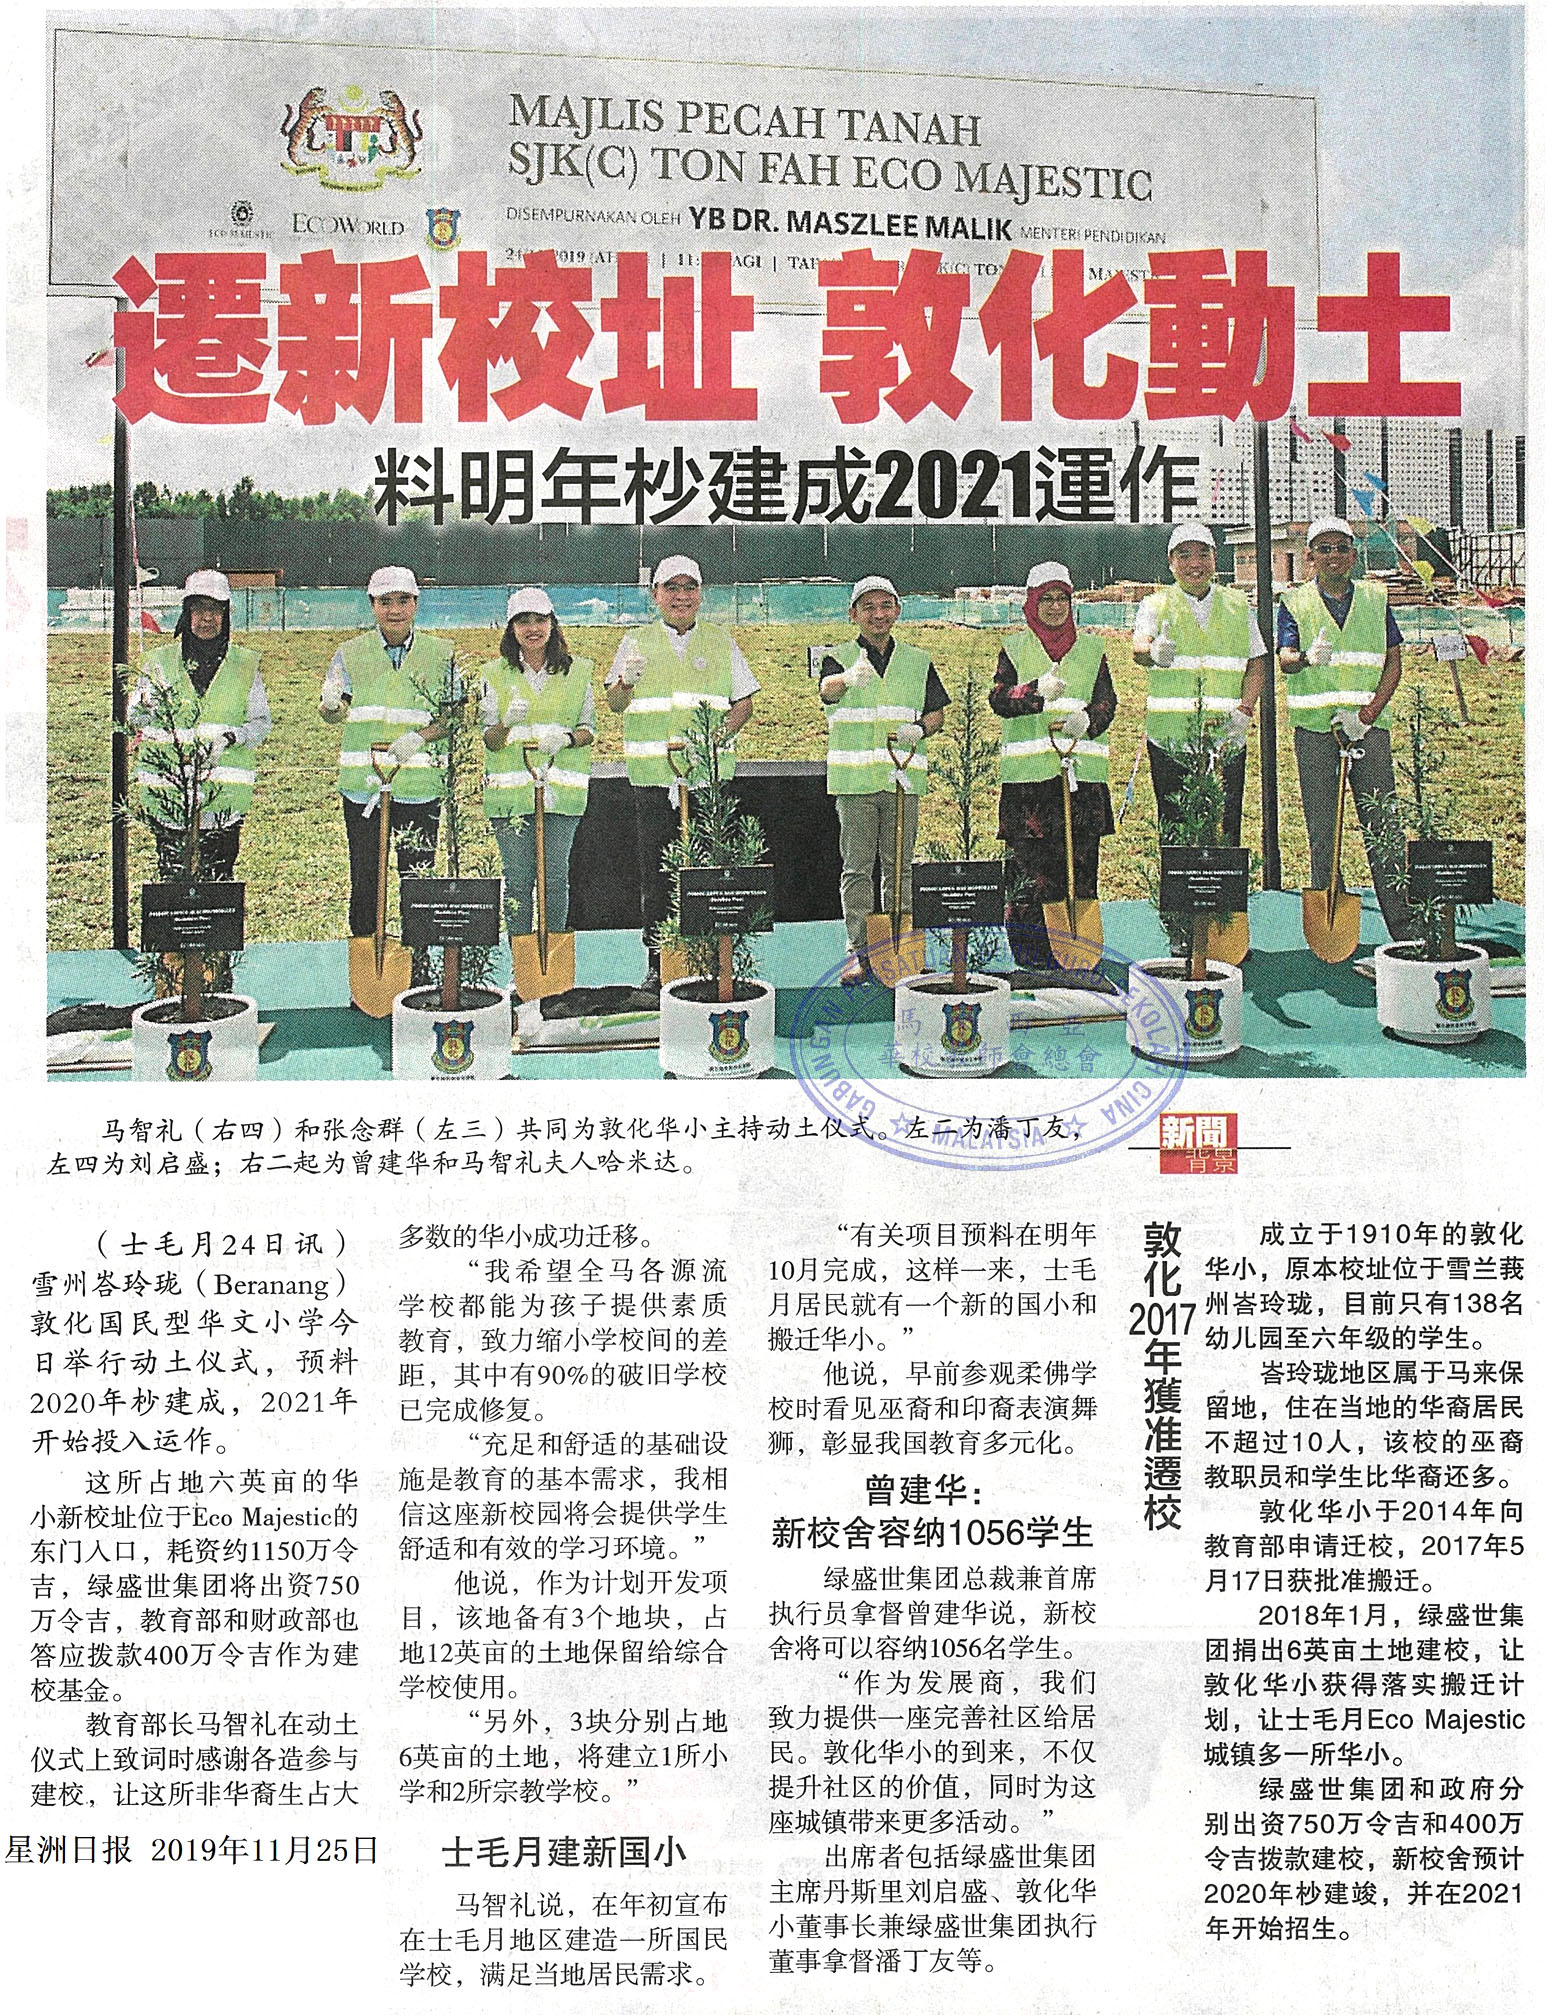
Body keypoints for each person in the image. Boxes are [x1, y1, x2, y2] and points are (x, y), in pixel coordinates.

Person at [605, 555, 758, 1004]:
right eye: (670, 587)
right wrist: (625, 683)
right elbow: (614, 705)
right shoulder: (635, 642)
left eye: (689, 587)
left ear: (701, 594)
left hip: (707, 779)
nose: (680, 596)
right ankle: (658, 964)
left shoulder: (720, 641)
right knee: (656, 874)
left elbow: (744, 704)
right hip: (653, 778)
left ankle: (710, 959)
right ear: (655, 595)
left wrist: (713, 739)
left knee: (708, 872)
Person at [1277, 517, 1414, 939]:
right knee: (1323, 830)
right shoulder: (1294, 601)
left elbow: (1393, 662)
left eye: (1341, 548)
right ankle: (1330, 920)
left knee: (1382, 824)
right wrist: (1306, 658)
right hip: (1316, 733)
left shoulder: (1375, 598)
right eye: (1324, 549)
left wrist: (1367, 715)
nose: (1333, 556)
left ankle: (1404, 923)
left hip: (1368, 730)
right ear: (1310, 557)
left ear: (1353, 555)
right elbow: (1285, 659)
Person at [319, 567, 458, 960]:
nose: (394, 610)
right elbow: (335, 713)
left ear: (416, 604)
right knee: (366, 876)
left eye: (403, 601)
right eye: (385, 602)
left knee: (417, 877)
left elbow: (452, 716)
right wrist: (329, 705)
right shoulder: (350, 652)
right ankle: (369, 960)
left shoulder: (441, 653)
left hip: (419, 786)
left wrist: (420, 737)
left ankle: (420, 960)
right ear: (372, 605)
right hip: (364, 786)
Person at [818, 576, 948, 985]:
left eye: (886, 606)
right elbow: (826, 692)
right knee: (857, 869)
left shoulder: (918, 660)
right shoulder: (838, 657)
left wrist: (919, 730)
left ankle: (900, 947)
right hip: (855, 781)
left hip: (902, 780)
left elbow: (936, 712)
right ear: (853, 614)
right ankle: (859, 951)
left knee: (900, 868)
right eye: (868, 607)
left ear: (897, 611)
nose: (878, 614)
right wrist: (846, 679)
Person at [991, 562, 1115, 970]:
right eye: (1047, 598)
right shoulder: (1014, 648)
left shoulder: (1092, 649)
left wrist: (1088, 721)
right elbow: (999, 699)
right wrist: (1033, 692)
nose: (1056, 606)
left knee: (1080, 866)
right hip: (1029, 787)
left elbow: (1107, 701)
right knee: (1029, 872)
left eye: (1063, 598)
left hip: (1080, 782)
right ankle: (1032, 955)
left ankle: (1077, 951)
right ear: (1031, 603)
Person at [129, 568, 270, 879]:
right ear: (187, 612)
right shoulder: (158, 663)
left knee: (219, 882)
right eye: (200, 608)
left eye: (215, 609)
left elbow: (261, 723)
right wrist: (147, 704)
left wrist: (231, 738)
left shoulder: (245, 665)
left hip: (224, 799)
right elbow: (134, 717)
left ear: (226, 614)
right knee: (173, 880)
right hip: (169, 795)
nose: (207, 618)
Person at [1131, 522, 1266, 845]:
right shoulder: (1155, 604)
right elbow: (1138, 650)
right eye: (1184, 555)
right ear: (1171, 562)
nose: (1195, 563)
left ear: (1215, 558)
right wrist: (1153, 652)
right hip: (1170, 740)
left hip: (1226, 736)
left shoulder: (1237, 605)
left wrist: (1245, 711)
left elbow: (1257, 662)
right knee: (1176, 830)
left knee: (1225, 830)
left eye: (1203, 554)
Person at [480, 588, 595, 952]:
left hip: (561, 791)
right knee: (517, 881)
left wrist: (566, 739)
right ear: (511, 628)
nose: (533, 628)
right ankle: (523, 963)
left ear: (552, 623)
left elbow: (589, 729)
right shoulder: (493, 674)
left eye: (540, 620)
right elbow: (491, 740)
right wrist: (506, 724)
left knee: (555, 879)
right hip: (511, 796)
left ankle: (552, 962)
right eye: (523, 621)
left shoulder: (578, 671)